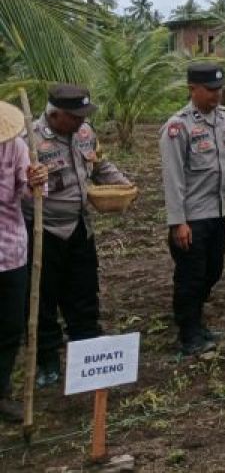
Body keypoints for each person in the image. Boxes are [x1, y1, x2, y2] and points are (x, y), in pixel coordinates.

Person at [24, 85, 131, 387]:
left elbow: (99, 164)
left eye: (84, 116)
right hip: (42, 229)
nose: (80, 122)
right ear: (55, 114)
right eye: (75, 117)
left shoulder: (85, 132)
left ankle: (88, 354)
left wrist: (122, 184)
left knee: (84, 293)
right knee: (42, 299)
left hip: (79, 226)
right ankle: (47, 360)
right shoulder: (30, 139)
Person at [160, 63, 225, 357]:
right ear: (192, 89)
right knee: (191, 276)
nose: (216, 95)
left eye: (219, 90)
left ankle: (196, 320)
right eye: (209, 90)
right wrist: (177, 222)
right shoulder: (177, 127)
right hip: (192, 216)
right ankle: (188, 334)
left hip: (217, 211)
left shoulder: (223, 118)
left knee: (213, 270)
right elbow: (173, 178)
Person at [0, 102, 47, 421]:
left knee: (9, 327)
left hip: (10, 252)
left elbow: (31, 193)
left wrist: (36, 180)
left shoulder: (14, 146)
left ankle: (1, 392)